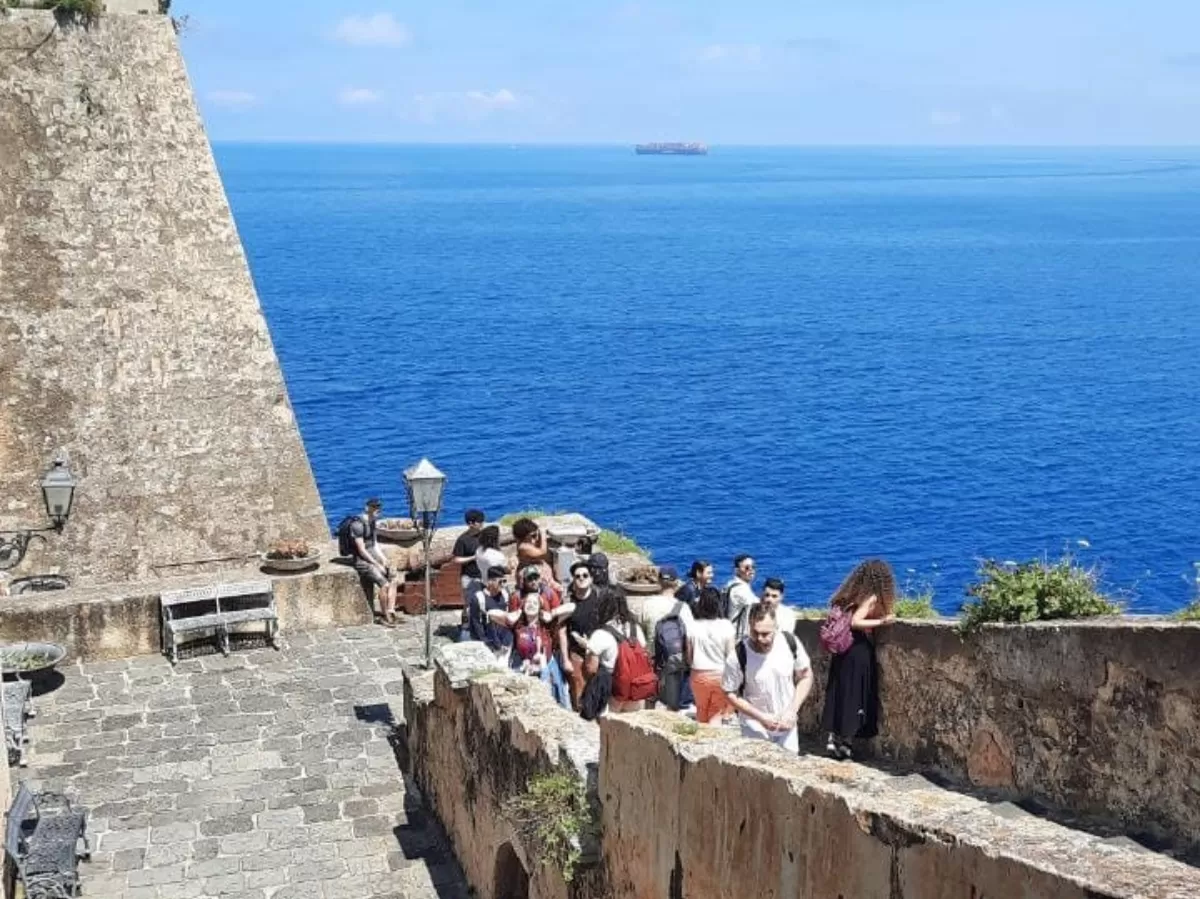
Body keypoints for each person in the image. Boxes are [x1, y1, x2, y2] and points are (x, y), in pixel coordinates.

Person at [821, 559, 897, 760]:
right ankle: (846, 743)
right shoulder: (871, 597)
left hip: (842, 650)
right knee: (855, 695)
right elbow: (856, 622)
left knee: (839, 692)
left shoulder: (849, 596)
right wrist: (882, 621)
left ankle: (832, 739)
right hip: (857, 649)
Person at [722, 603, 813, 752]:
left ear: (776, 627)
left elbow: (806, 675)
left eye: (765, 634)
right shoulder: (738, 655)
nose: (759, 639)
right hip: (754, 728)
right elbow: (729, 692)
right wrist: (761, 717)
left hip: (787, 727)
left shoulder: (790, 643)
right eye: (754, 632)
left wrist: (792, 710)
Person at [496, 590, 572, 709]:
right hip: (524, 670)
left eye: (535, 603)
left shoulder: (547, 625)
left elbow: (572, 607)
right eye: (528, 602)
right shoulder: (518, 626)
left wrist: (552, 613)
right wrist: (512, 614)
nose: (531, 605)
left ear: (540, 608)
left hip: (546, 670)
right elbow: (491, 614)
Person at [583, 587, 651, 717]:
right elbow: (644, 651)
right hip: (635, 688)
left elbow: (591, 669)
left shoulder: (600, 634)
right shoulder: (635, 628)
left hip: (613, 689)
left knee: (611, 728)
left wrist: (587, 648)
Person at [687, 586, 736, 724]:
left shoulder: (692, 626)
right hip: (720, 675)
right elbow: (731, 656)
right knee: (716, 712)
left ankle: (700, 738)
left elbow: (689, 658)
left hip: (699, 675)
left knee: (701, 710)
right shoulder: (727, 626)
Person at [346, 498, 398, 626]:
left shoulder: (373, 522)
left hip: (373, 557)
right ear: (367, 508)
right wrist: (376, 564)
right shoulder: (357, 525)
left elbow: (374, 545)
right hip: (362, 561)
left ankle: (391, 611)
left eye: (378, 508)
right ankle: (385, 616)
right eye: (374, 508)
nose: (377, 510)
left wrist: (383, 559)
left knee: (394, 579)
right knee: (384, 584)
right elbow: (362, 550)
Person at [558, 560, 601, 709]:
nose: (581, 578)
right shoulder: (568, 601)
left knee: (597, 689)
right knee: (578, 690)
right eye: (578, 576)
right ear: (574, 580)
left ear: (591, 578)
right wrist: (565, 659)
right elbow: (562, 631)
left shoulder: (599, 599)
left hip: (596, 653)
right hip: (576, 654)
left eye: (585, 575)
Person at [470, 565, 514, 663]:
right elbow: (476, 624)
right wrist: (487, 644)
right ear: (490, 582)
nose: (503, 585)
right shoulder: (478, 599)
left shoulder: (505, 595)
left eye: (504, 581)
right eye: (500, 582)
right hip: (487, 645)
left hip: (505, 642)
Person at [511, 517, 560, 591]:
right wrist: (543, 535)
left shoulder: (528, 543)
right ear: (524, 536)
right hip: (532, 579)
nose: (536, 538)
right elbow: (542, 552)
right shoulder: (523, 547)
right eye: (533, 536)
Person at [722, 554, 758, 639]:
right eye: (747, 568)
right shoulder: (740, 590)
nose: (751, 570)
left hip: (728, 631)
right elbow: (758, 606)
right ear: (737, 570)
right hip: (737, 637)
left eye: (753, 567)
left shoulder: (730, 584)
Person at [452, 509, 487, 590]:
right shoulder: (463, 539)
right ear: (471, 523)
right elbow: (456, 559)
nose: (482, 524)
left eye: (482, 521)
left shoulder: (484, 536)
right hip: (469, 577)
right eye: (479, 522)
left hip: (485, 575)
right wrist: (473, 557)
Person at [473, 525, 507, 591]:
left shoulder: (478, 550)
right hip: (497, 586)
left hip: (484, 583)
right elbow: (506, 570)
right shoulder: (498, 555)